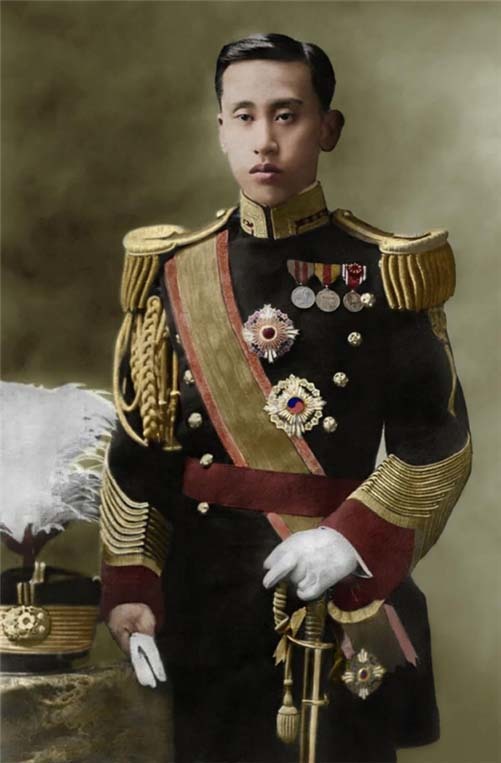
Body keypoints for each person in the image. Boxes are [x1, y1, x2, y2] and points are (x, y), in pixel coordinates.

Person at [99, 33, 472, 763]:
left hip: (337, 600)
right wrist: (133, 587)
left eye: (286, 114)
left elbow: (439, 442)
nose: (263, 140)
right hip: (202, 609)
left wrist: (349, 539)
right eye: (243, 116)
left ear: (327, 128)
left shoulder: (381, 272)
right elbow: (140, 454)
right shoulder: (174, 273)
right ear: (219, 129)